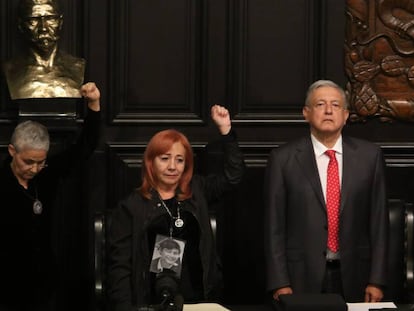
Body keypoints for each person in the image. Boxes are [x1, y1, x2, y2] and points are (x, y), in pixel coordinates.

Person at [107, 105, 245, 311]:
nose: (172, 166)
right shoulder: (131, 207)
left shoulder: (197, 190)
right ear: (150, 163)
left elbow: (233, 177)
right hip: (151, 302)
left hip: (199, 299)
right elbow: (120, 269)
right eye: (164, 159)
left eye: (179, 160)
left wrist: (226, 132)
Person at [264, 80, 388, 303]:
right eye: (320, 104)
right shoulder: (283, 159)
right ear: (306, 113)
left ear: (346, 114)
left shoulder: (370, 157)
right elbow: (274, 226)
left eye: (336, 105)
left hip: (356, 275)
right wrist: (280, 282)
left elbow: (379, 224)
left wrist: (376, 280)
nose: (329, 110)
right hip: (300, 276)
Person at [0, 81, 101, 310]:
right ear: (12, 151)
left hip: (44, 284)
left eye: (40, 162)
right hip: (6, 288)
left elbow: (83, 149)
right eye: (28, 162)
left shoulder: (46, 175)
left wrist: (94, 105)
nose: (34, 169)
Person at [3, 0, 85, 99]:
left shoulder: (78, 67)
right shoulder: (10, 70)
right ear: (21, 25)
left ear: (60, 22)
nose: (43, 28)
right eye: (33, 20)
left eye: (50, 18)